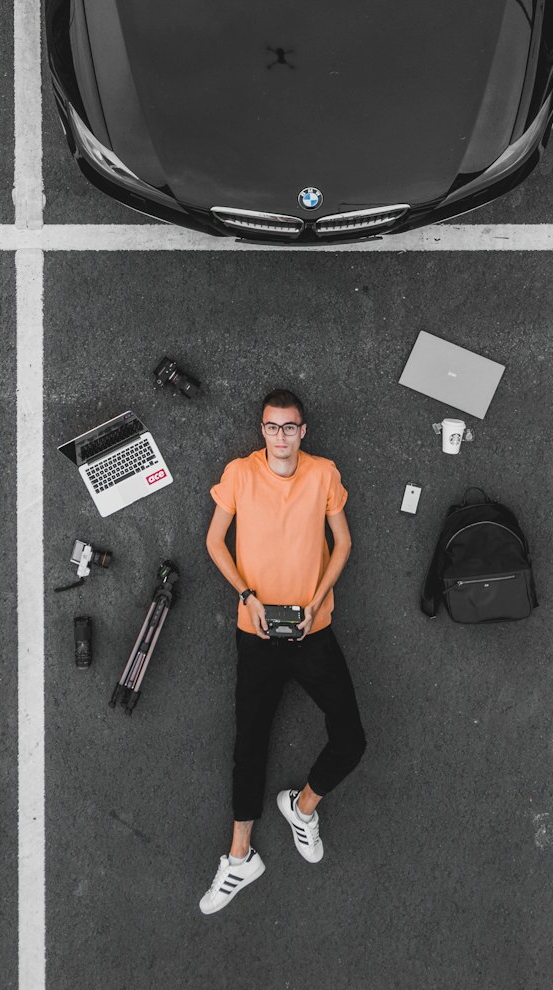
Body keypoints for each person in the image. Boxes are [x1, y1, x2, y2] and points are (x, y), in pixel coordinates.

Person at [199, 388, 367, 915]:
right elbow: (213, 541)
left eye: (289, 427)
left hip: (312, 628)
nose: (281, 436)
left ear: (303, 432)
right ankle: (240, 856)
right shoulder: (239, 474)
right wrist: (246, 598)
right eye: (272, 427)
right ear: (262, 430)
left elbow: (342, 543)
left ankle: (303, 806)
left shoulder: (324, 475)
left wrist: (317, 601)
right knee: (248, 744)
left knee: (352, 737)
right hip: (257, 633)